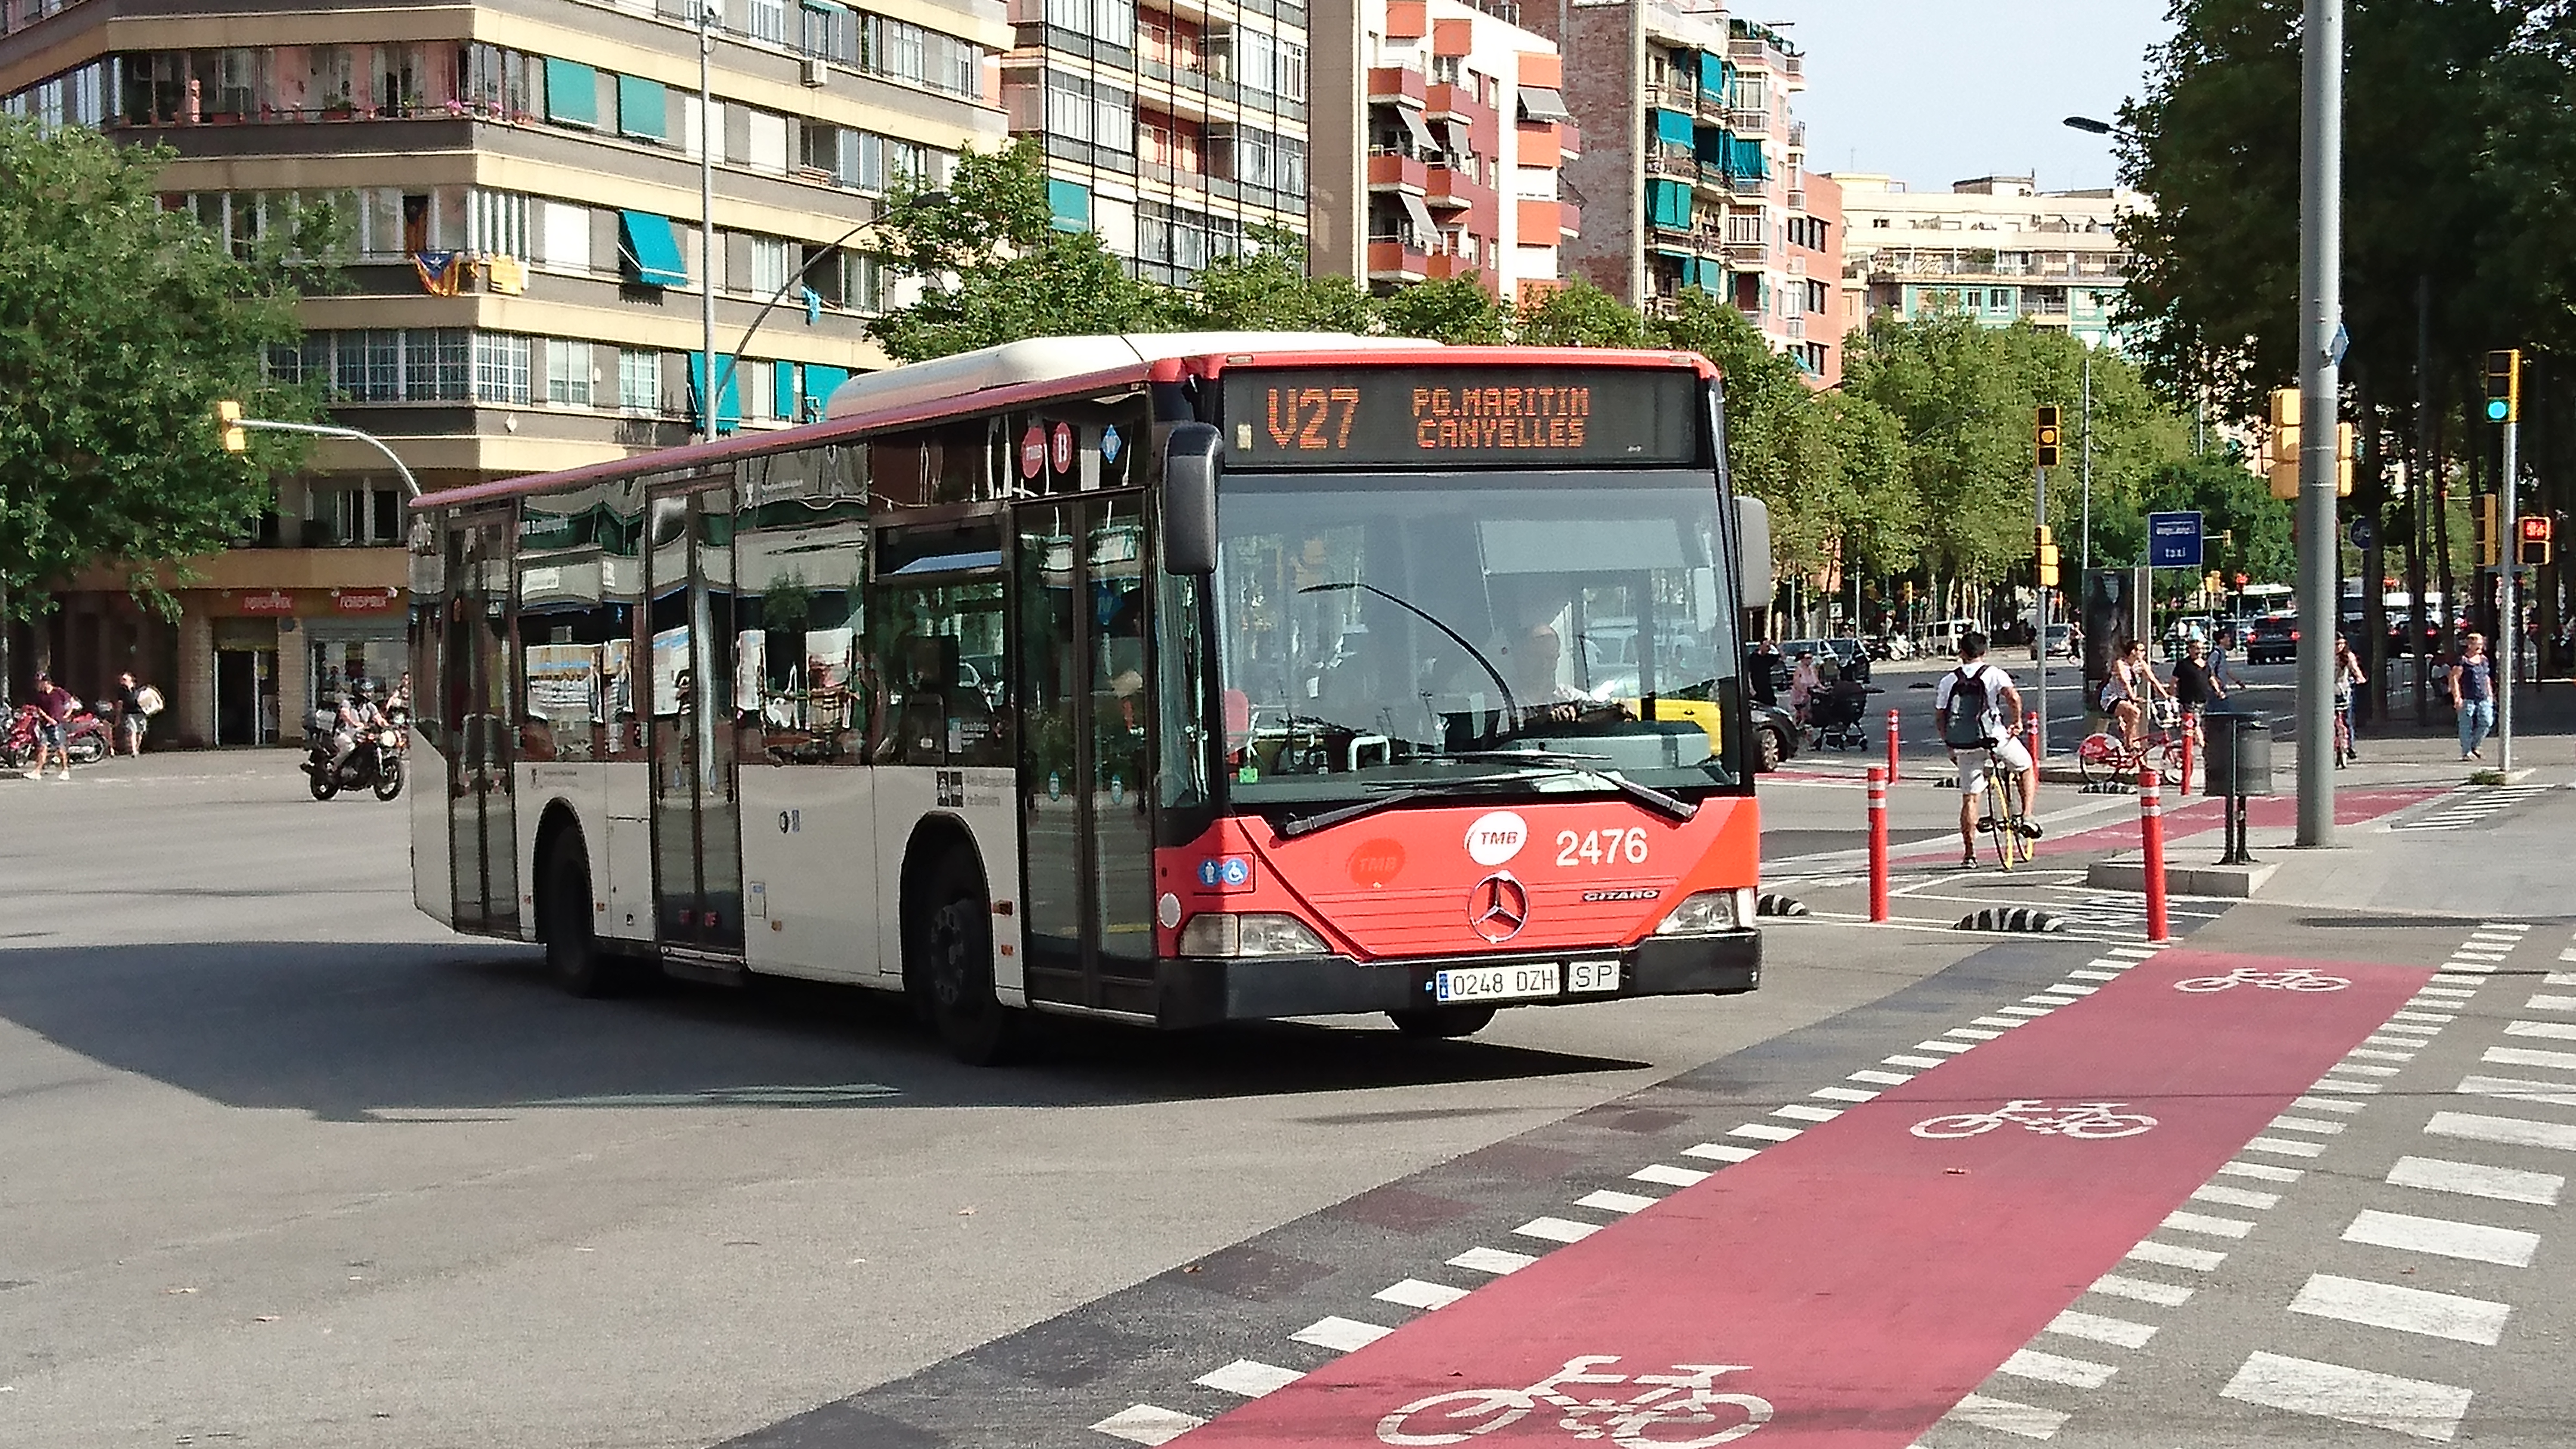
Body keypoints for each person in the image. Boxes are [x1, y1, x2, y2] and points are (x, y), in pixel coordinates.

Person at [1935, 633, 2040, 868]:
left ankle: (1970, 855)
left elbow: (1940, 717)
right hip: (1996, 739)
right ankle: (2027, 815)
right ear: (1985, 652)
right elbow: (2013, 697)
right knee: (2025, 766)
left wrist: (1950, 744)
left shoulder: (1948, 680)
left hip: (1965, 744)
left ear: (1961, 653)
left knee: (1970, 799)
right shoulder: (1994, 673)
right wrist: (2017, 722)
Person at [2100, 638, 2167, 752]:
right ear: (2133, 652)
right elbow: (2125, 682)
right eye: (2141, 650)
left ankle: (2136, 757)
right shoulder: (2120, 663)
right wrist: (2133, 697)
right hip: (2112, 698)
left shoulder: (2140, 665)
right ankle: (2128, 744)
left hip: (2127, 699)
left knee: (2135, 728)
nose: (2144, 653)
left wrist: (2167, 696)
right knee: (2135, 712)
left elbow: (2153, 680)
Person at [2450, 632, 2495, 761]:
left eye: (2481, 644)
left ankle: (2475, 745)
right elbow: (2454, 678)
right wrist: (2457, 697)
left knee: (2487, 722)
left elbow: (2486, 677)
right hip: (2467, 697)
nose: (2480, 647)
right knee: (2466, 725)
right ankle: (2467, 751)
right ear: (2469, 645)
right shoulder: (2463, 661)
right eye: (2477, 644)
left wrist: (2490, 694)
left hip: (2483, 697)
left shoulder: (2484, 660)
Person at [25, 670, 76, 780]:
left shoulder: (59, 692)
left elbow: (71, 701)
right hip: (45, 724)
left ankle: (65, 770)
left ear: (47, 682)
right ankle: (37, 771)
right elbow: (39, 709)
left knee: (59, 747)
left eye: (40, 683)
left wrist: (67, 715)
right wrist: (47, 719)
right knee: (42, 747)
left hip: (57, 724)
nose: (38, 685)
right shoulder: (40, 696)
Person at [2332, 636, 2368, 765]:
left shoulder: (2348, 656)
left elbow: (2355, 670)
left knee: (2347, 720)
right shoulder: (2324, 655)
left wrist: (2360, 678)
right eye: (2337, 644)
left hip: (2343, 690)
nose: (2339, 647)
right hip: (2328, 692)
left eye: (2342, 644)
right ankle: (2331, 746)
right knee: (2329, 721)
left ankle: (2349, 746)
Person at [113, 671, 152, 757]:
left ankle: (137, 748)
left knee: (140, 732)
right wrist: (118, 715)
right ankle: (134, 750)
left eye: (125, 679)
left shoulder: (139, 689)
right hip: (129, 713)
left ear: (131, 679)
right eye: (122, 680)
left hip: (140, 712)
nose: (123, 681)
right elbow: (120, 703)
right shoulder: (121, 691)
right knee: (132, 731)